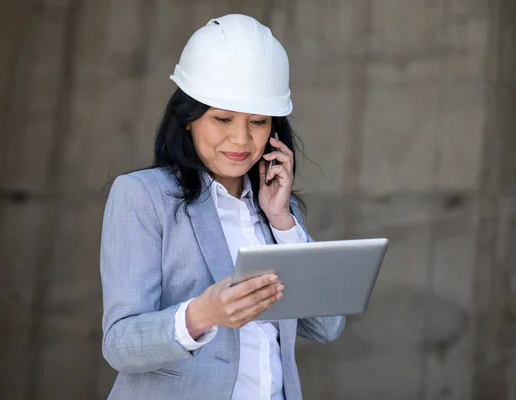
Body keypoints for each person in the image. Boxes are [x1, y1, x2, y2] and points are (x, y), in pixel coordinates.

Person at [100, 14, 345, 400]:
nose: (241, 138)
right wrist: (201, 316)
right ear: (188, 120)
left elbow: (327, 326)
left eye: (258, 121)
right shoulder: (143, 196)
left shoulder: (277, 211)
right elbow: (119, 343)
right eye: (222, 118)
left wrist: (282, 221)